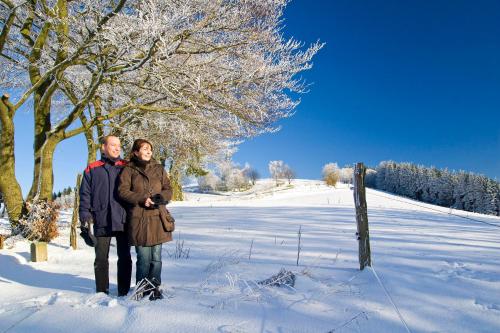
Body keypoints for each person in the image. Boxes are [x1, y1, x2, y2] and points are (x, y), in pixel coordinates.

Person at [118, 138, 174, 301]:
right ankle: (141, 289)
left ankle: (154, 288)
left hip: (158, 217)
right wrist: (142, 199)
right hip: (139, 219)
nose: (148, 151)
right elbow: (122, 191)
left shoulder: (159, 169)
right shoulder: (129, 170)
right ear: (136, 152)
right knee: (143, 258)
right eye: (144, 148)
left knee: (156, 259)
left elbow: (168, 190)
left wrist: (159, 198)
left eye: (150, 148)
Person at [79, 135, 132, 296]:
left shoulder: (127, 167)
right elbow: (85, 194)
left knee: (125, 257)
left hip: (123, 218)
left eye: (119, 146)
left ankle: (124, 290)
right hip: (101, 218)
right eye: (113, 145)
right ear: (103, 147)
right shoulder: (92, 168)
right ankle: (102, 291)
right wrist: (85, 216)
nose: (117, 148)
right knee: (101, 258)